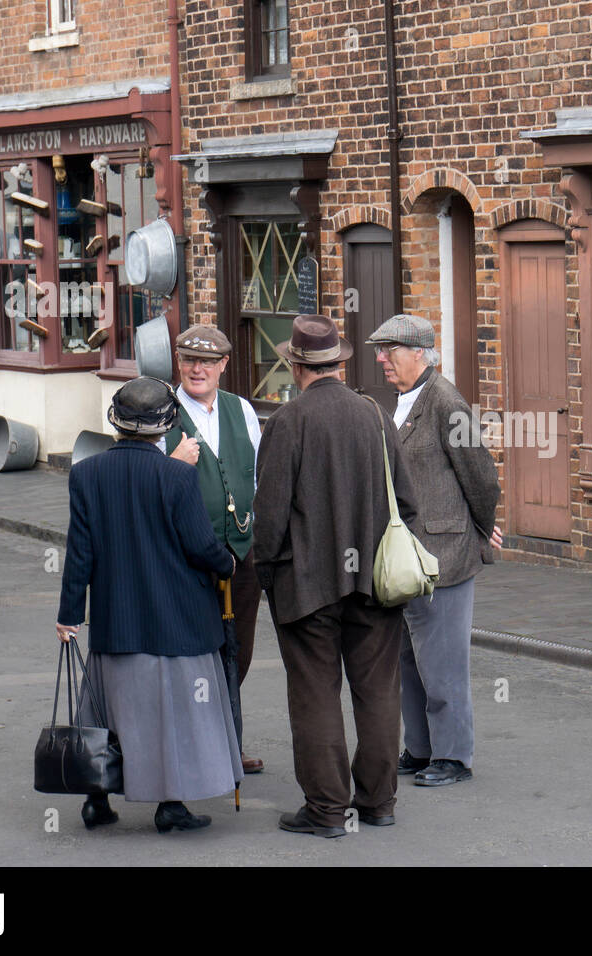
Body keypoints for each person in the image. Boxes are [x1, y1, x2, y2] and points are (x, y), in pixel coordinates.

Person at [253, 315, 418, 837]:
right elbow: (408, 503)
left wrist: (265, 574)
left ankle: (327, 810)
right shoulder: (374, 415)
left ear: (296, 365)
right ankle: (378, 802)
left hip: (308, 586)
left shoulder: (287, 422)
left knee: (316, 694)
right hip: (375, 581)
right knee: (377, 692)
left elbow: (271, 517)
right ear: (339, 364)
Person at [55, 376, 242, 834]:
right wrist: (228, 563)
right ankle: (169, 806)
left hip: (116, 621)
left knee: (104, 711)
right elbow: (200, 545)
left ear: (115, 422)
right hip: (176, 620)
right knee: (172, 714)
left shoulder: (86, 474)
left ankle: (96, 798)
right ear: (166, 426)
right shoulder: (177, 475)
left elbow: (80, 553)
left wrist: (68, 614)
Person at [366, 315, 502, 787]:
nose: (382, 359)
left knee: (443, 664)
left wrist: (484, 529)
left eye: (391, 350)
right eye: (381, 350)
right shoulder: (402, 400)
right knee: (408, 659)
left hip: (444, 555)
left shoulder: (448, 401)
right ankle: (420, 749)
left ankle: (453, 756)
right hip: (405, 558)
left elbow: (481, 476)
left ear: (420, 353)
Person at [163, 324, 265, 776]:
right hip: (185, 558)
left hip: (240, 551)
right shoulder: (160, 412)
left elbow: (257, 477)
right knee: (192, 653)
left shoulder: (240, 409)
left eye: (206, 361)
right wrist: (171, 465)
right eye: (188, 360)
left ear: (224, 365)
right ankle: (195, 745)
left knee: (237, 649)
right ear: (178, 364)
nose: (196, 369)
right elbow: (140, 483)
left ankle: (229, 739)